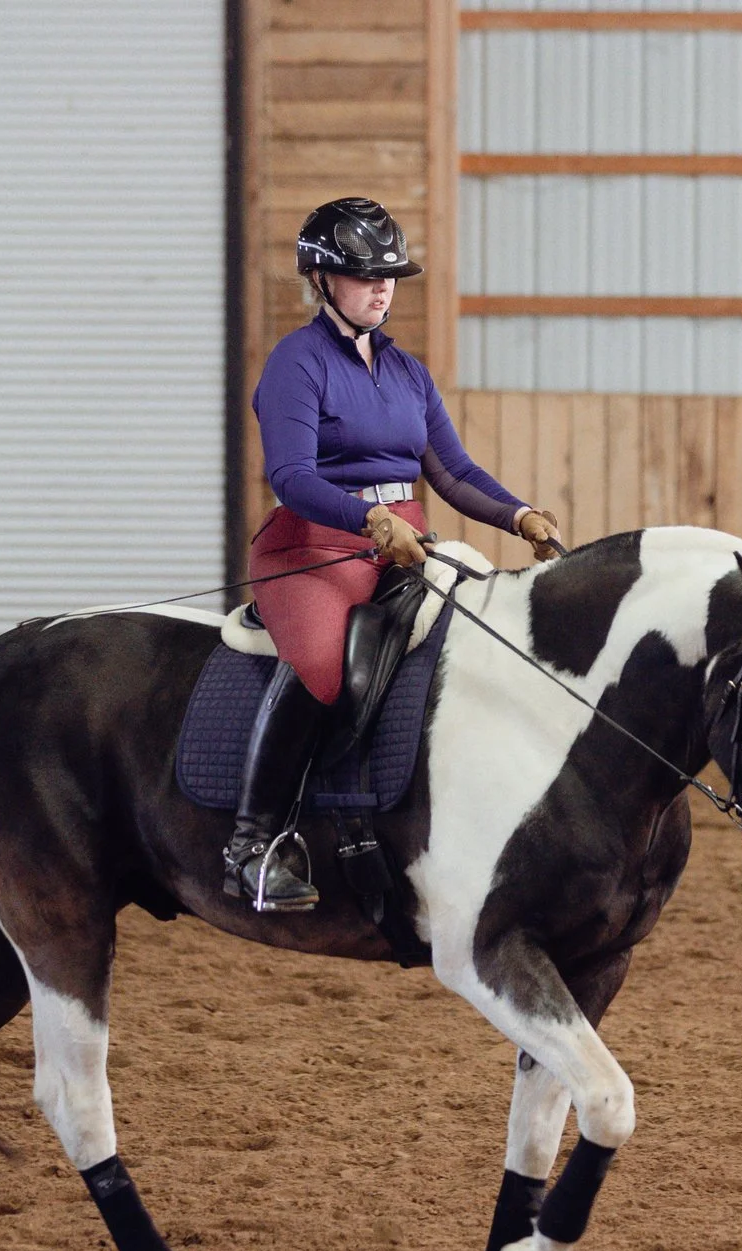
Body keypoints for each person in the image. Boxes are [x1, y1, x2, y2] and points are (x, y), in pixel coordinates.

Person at [228, 197, 561, 912]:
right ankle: (253, 845)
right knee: (323, 666)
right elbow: (290, 476)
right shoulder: (297, 361)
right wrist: (368, 517)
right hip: (315, 545)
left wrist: (520, 515)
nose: (381, 288)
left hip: (406, 542)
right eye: (361, 275)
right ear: (321, 280)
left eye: (390, 276)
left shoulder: (408, 372)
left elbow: (453, 473)